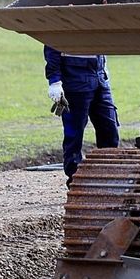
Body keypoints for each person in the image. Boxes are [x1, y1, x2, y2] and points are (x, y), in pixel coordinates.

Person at [45, 46, 119, 184]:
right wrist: (54, 81)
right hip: (74, 80)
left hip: (100, 77)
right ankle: (76, 181)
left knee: (110, 129)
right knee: (74, 135)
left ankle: (109, 177)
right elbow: (51, 45)